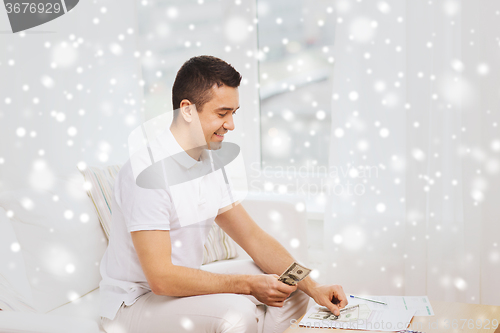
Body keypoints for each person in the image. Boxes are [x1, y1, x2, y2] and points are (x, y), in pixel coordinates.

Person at [99, 55, 347, 333]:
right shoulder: (146, 173)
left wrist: (313, 287)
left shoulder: (210, 163)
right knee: (236, 313)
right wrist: (247, 285)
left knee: (291, 283)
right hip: (135, 303)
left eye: (234, 113)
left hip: (174, 293)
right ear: (188, 110)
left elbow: (253, 237)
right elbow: (161, 279)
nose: (231, 125)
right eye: (222, 113)